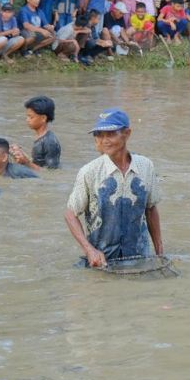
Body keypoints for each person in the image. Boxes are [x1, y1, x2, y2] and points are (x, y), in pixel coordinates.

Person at [64, 108, 164, 267]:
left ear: (127, 133)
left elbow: (151, 209)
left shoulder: (146, 166)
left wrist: (159, 252)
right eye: (99, 135)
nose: (104, 140)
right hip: (102, 261)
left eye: (111, 134)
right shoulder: (89, 172)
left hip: (138, 257)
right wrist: (89, 250)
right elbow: (70, 214)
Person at [11, 95, 61, 171]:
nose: (27, 120)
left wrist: (26, 163)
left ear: (43, 118)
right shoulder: (41, 137)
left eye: (31, 117)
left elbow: (52, 172)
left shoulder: (50, 142)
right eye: (27, 116)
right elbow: (38, 161)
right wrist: (20, 153)